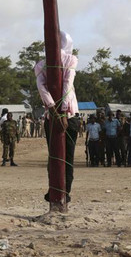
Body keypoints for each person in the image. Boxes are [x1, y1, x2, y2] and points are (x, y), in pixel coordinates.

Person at [35, 31, 79, 203]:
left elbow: (42, 89)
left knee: (53, 155)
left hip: (51, 116)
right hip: (68, 115)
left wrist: (53, 109)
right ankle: (64, 191)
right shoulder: (70, 60)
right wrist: (63, 111)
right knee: (67, 157)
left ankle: (54, 188)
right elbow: (68, 84)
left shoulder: (40, 65)